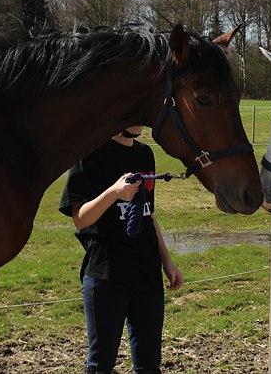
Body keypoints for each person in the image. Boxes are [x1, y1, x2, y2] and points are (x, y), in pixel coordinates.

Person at [59, 126, 183, 374]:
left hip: (147, 272)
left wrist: (167, 261)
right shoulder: (90, 155)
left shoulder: (145, 154)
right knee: (100, 365)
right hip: (106, 273)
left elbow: (148, 214)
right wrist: (114, 193)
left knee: (149, 365)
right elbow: (80, 219)